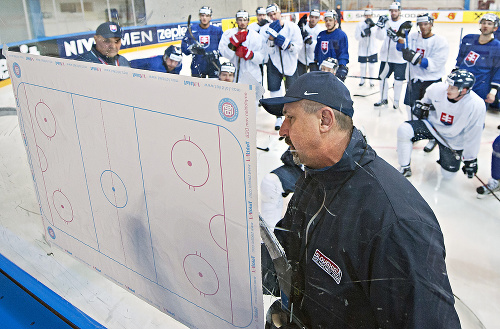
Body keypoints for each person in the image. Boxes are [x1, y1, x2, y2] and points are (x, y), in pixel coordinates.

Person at [259, 71, 460, 328]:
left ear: (324, 119)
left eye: (290, 118)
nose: (282, 131)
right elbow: (289, 252)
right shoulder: (316, 178)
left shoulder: (396, 223)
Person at [397, 70, 486, 179]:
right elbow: (425, 102)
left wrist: (470, 158)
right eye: (448, 85)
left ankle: (442, 152)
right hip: (433, 128)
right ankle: (404, 166)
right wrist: (421, 107)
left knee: (448, 175)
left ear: (464, 90)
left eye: (452, 88)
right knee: (404, 129)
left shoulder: (476, 105)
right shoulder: (436, 89)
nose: (448, 89)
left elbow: (474, 134)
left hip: (453, 139)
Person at [401, 13, 449, 152]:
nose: (423, 27)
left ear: (431, 24)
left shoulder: (440, 41)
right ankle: (415, 131)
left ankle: (433, 137)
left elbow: (436, 64)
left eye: (426, 24)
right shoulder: (413, 37)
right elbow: (401, 48)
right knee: (411, 107)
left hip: (432, 81)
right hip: (415, 79)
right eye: (420, 24)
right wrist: (400, 34)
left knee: (431, 111)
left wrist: (415, 58)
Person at [262, 3, 303, 130]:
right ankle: (278, 117)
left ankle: (293, 116)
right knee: (274, 90)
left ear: (280, 13)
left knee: (292, 90)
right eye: (270, 15)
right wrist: (270, 39)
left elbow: (298, 47)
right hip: (274, 63)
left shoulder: (292, 27)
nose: (273, 17)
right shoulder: (265, 29)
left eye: (275, 14)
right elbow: (265, 50)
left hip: (290, 64)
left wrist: (287, 45)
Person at [455, 13, 500, 109]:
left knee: (476, 114)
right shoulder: (468, 38)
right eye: (483, 23)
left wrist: (493, 91)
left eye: (489, 24)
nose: (485, 26)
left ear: (495, 28)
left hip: (481, 86)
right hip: (462, 83)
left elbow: (498, 70)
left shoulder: (497, 46)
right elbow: (460, 59)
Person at [374, 2, 407, 109]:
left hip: (400, 58)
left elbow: (406, 40)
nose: (393, 13)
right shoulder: (386, 22)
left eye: (396, 11)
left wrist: (397, 38)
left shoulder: (404, 24)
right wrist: (379, 26)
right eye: (392, 11)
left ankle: (396, 101)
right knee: (382, 78)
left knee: (398, 82)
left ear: (399, 12)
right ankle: (383, 98)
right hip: (386, 57)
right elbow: (379, 37)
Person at [218, 10, 264, 84]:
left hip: (253, 75)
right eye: (240, 20)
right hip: (235, 76)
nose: (242, 23)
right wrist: (232, 46)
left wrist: (250, 55)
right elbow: (225, 54)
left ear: (248, 21)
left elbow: (262, 58)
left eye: (245, 20)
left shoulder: (256, 36)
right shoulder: (228, 34)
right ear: (236, 21)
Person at [181, 6, 222, 78]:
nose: (204, 18)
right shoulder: (192, 30)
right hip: (197, 66)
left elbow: (225, 47)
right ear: (199, 16)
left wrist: (215, 53)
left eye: (207, 16)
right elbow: (184, 47)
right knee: (198, 88)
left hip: (213, 65)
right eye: (202, 15)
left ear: (211, 17)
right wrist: (191, 49)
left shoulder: (217, 30)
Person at [314, 10, 349, 82]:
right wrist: (315, 61)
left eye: (330, 20)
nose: (328, 22)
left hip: (333, 70)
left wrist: (342, 66)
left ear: (335, 21)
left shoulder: (341, 35)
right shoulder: (321, 35)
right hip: (322, 69)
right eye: (326, 20)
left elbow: (343, 53)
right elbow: (317, 50)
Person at [354, 9, 379, 87]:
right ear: (364, 16)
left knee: (372, 66)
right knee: (363, 65)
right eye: (366, 15)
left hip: (372, 49)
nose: (368, 17)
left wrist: (372, 28)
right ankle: (362, 80)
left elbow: (378, 35)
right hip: (362, 49)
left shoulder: (375, 25)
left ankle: (371, 81)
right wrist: (362, 34)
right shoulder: (360, 24)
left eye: (369, 15)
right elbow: (356, 37)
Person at [296, 9, 323, 76]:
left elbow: (319, 45)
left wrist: (310, 42)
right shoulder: (304, 27)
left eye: (316, 18)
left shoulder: (320, 31)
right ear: (309, 17)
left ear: (319, 19)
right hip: (302, 58)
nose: (313, 19)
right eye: (312, 17)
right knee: (300, 79)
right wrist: (299, 28)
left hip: (313, 60)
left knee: (313, 80)